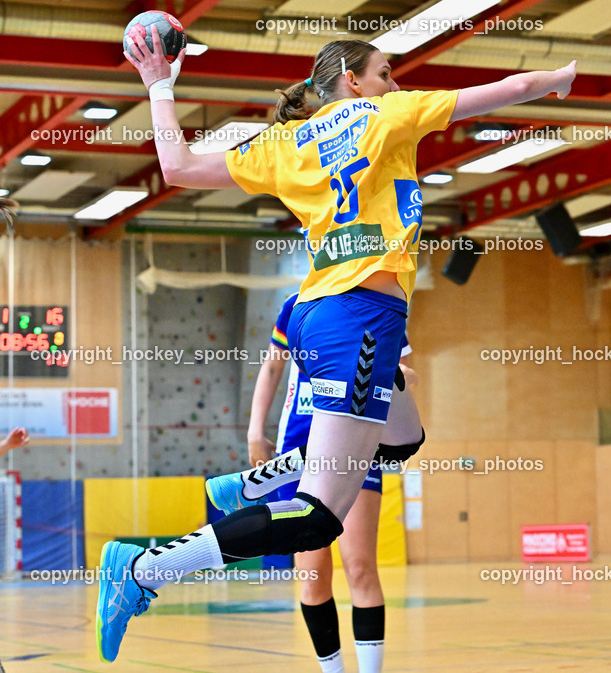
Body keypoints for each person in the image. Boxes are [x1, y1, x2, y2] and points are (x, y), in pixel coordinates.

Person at [96, 34, 577, 663]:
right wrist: (564, 76)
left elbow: (178, 168)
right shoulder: (383, 114)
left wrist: (160, 82)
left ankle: (255, 481)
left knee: (403, 439)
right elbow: (512, 90)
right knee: (319, 518)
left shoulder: (280, 144)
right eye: (386, 73)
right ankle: (144, 569)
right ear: (353, 80)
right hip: (360, 317)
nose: (396, 85)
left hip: (324, 311)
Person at [204, 293, 421, 673]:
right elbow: (272, 368)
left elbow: (409, 374)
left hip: (357, 440)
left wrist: (385, 376)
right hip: (297, 444)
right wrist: (255, 431)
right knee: (313, 573)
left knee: (360, 566)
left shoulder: (380, 300)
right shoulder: (297, 303)